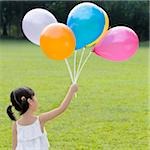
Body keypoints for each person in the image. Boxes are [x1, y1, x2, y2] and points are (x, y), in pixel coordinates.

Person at [6, 84, 78, 150]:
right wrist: (71, 90)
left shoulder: (16, 125)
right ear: (30, 101)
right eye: (34, 97)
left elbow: (14, 148)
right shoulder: (40, 120)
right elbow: (61, 108)